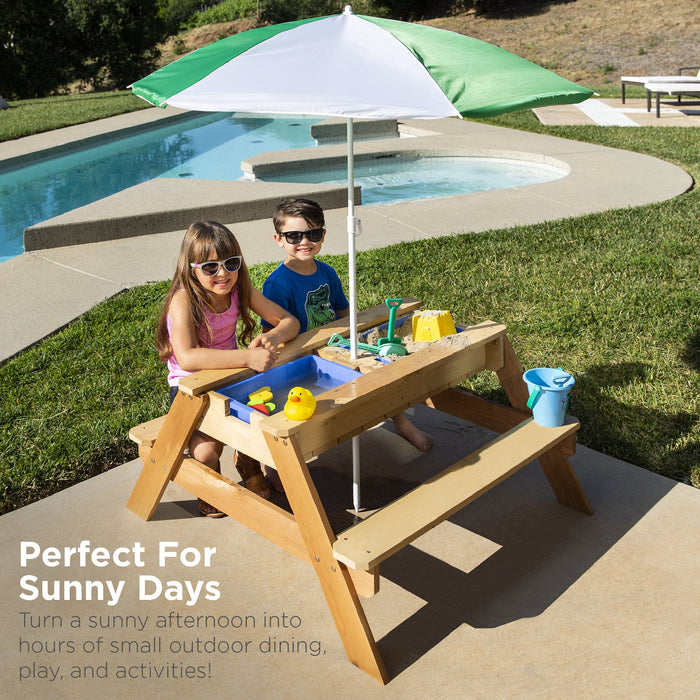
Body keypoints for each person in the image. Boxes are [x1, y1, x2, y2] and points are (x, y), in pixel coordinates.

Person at [263, 198, 433, 452]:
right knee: (299, 408)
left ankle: (402, 422)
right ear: (279, 239)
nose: (304, 242)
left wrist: (359, 334)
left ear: (323, 235)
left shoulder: (327, 272)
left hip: (336, 345)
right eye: (294, 236)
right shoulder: (277, 285)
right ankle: (281, 458)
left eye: (313, 234)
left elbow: (343, 311)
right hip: (301, 355)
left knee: (382, 372)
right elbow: (271, 333)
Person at [155, 220, 299, 516]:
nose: (223, 274)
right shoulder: (183, 300)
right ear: (191, 267)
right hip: (189, 387)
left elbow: (290, 322)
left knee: (265, 415)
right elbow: (188, 358)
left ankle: (247, 461)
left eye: (231, 263)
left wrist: (272, 336)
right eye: (210, 267)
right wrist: (246, 358)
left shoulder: (240, 289)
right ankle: (211, 478)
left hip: (230, 378)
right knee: (208, 452)